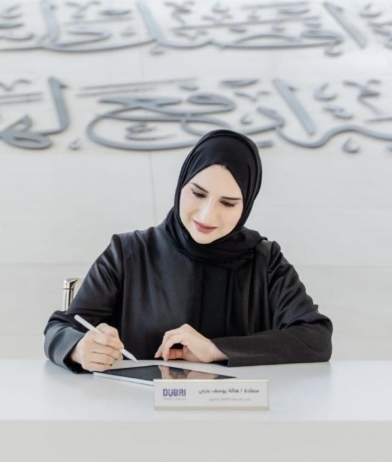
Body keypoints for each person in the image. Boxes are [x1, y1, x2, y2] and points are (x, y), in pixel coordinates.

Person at [45, 129, 331, 373]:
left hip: (237, 416)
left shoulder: (265, 261)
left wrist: (216, 349)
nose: (207, 215)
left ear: (247, 205)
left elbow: (316, 338)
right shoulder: (129, 253)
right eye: (197, 193)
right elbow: (61, 327)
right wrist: (79, 349)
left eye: (228, 203)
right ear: (181, 185)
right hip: (139, 413)